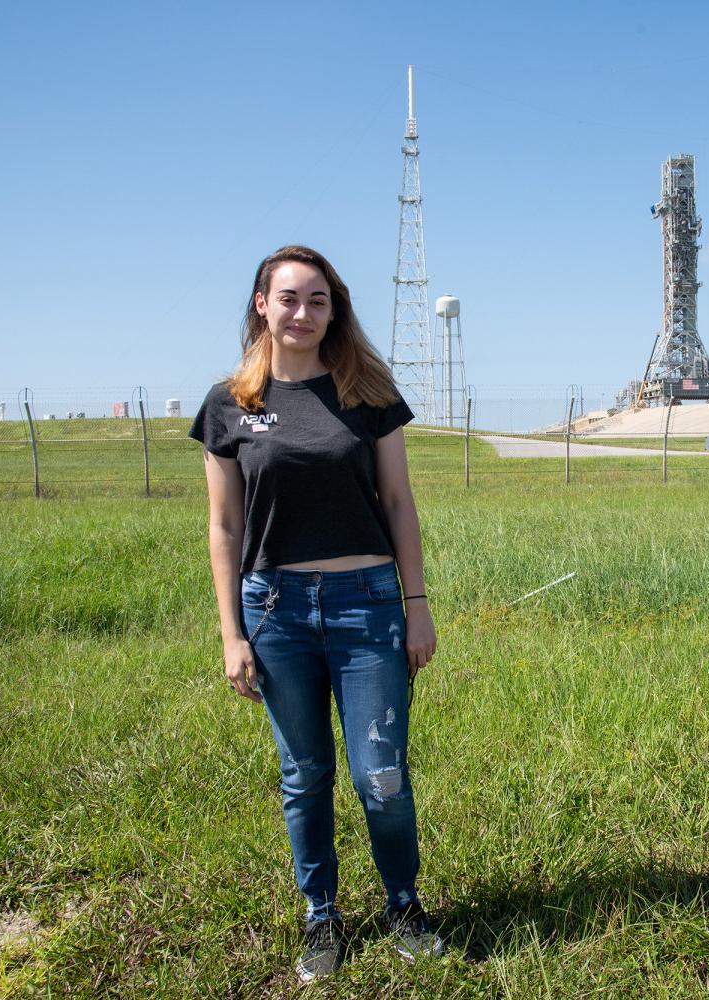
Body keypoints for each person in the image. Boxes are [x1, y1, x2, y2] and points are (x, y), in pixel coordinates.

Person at [189, 245, 441, 980]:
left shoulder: (367, 394)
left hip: (368, 606)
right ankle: (321, 918)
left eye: (319, 300)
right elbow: (224, 528)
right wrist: (232, 632)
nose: (304, 313)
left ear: (336, 309)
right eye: (289, 298)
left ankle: (403, 903)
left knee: (381, 776)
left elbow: (398, 500)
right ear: (261, 305)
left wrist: (416, 604)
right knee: (305, 775)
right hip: (276, 612)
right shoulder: (229, 405)